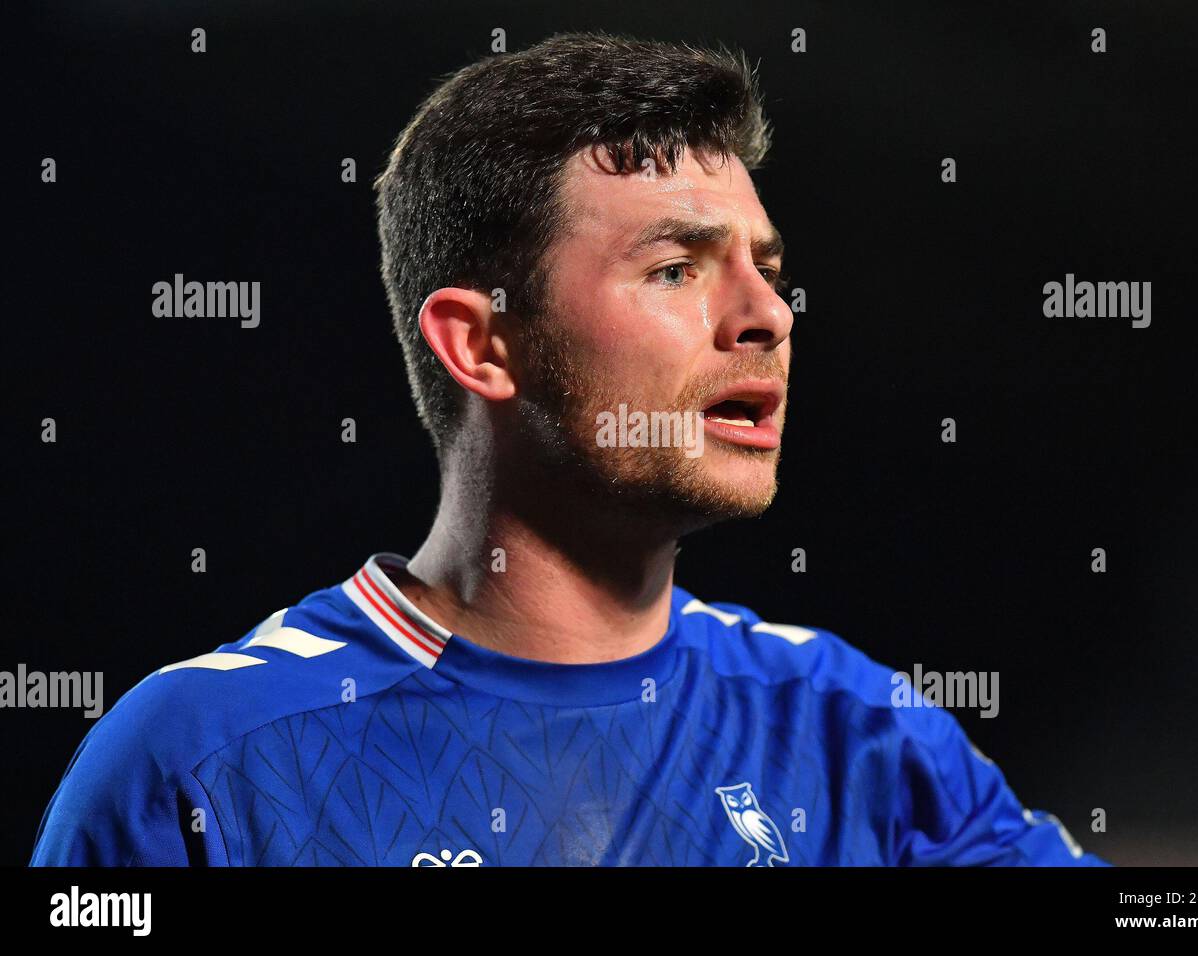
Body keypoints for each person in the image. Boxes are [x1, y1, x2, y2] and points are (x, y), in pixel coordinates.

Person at [31, 31, 1106, 866]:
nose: (768, 315)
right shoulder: (204, 758)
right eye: (676, 268)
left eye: (764, 265)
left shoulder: (851, 729)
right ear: (483, 341)